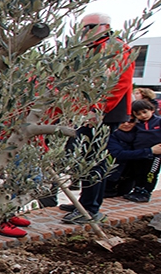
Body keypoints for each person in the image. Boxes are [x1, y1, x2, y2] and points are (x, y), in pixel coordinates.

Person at [60, 13, 135, 224]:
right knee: (87, 158)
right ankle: (85, 203)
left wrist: (96, 110)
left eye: (90, 26)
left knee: (94, 159)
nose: (85, 31)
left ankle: (91, 208)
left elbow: (117, 84)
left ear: (105, 26)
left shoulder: (115, 48)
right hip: (87, 111)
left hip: (102, 114)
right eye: (83, 27)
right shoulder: (91, 49)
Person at [121, 100, 161, 202]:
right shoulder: (137, 125)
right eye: (138, 114)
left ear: (152, 110)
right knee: (138, 172)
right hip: (140, 153)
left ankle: (146, 192)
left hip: (155, 155)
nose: (143, 115)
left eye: (144, 112)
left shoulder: (158, 122)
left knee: (150, 174)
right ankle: (137, 189)